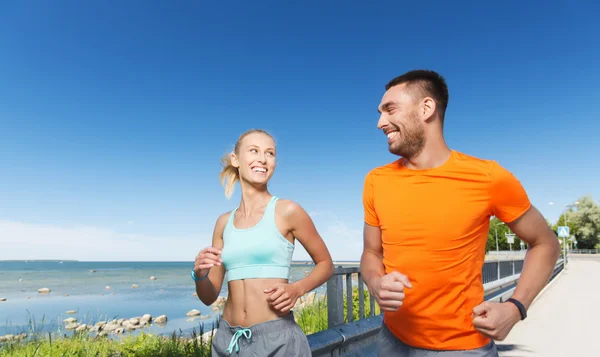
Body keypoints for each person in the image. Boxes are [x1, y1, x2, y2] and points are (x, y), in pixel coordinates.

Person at [360, 69, 561, 356]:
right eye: (380, 112)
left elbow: (546, 243)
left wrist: (516, 308)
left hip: (464, 348)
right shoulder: (375, 181)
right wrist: (376, 282)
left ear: (426, 108)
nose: (380, 122)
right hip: (391, 342)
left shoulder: (489, 177)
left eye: (390, 109)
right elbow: (371, 253)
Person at [192, 129, 334, 356]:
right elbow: (209, 296)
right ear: (235, 160)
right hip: (228, 341)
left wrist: (297, 289)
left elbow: (326, 264)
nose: (262, 159)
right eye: (254, 151)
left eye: (270, 153)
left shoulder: (288, 211)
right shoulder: (223, 223)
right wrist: (199, 275)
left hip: (277, 339)